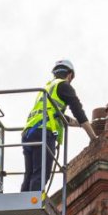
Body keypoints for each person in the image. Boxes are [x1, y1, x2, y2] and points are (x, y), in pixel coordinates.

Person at [20, 59, 96, 195]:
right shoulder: (64, 86)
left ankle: (22, 205)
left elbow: (58, 116)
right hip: (44, 132)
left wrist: (80, 125)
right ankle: (33, 204)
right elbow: (78, 111)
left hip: (29, 133)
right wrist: (93, 137)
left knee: (30, 173)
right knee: (41, 173)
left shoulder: (48, 88)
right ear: (70, 75)